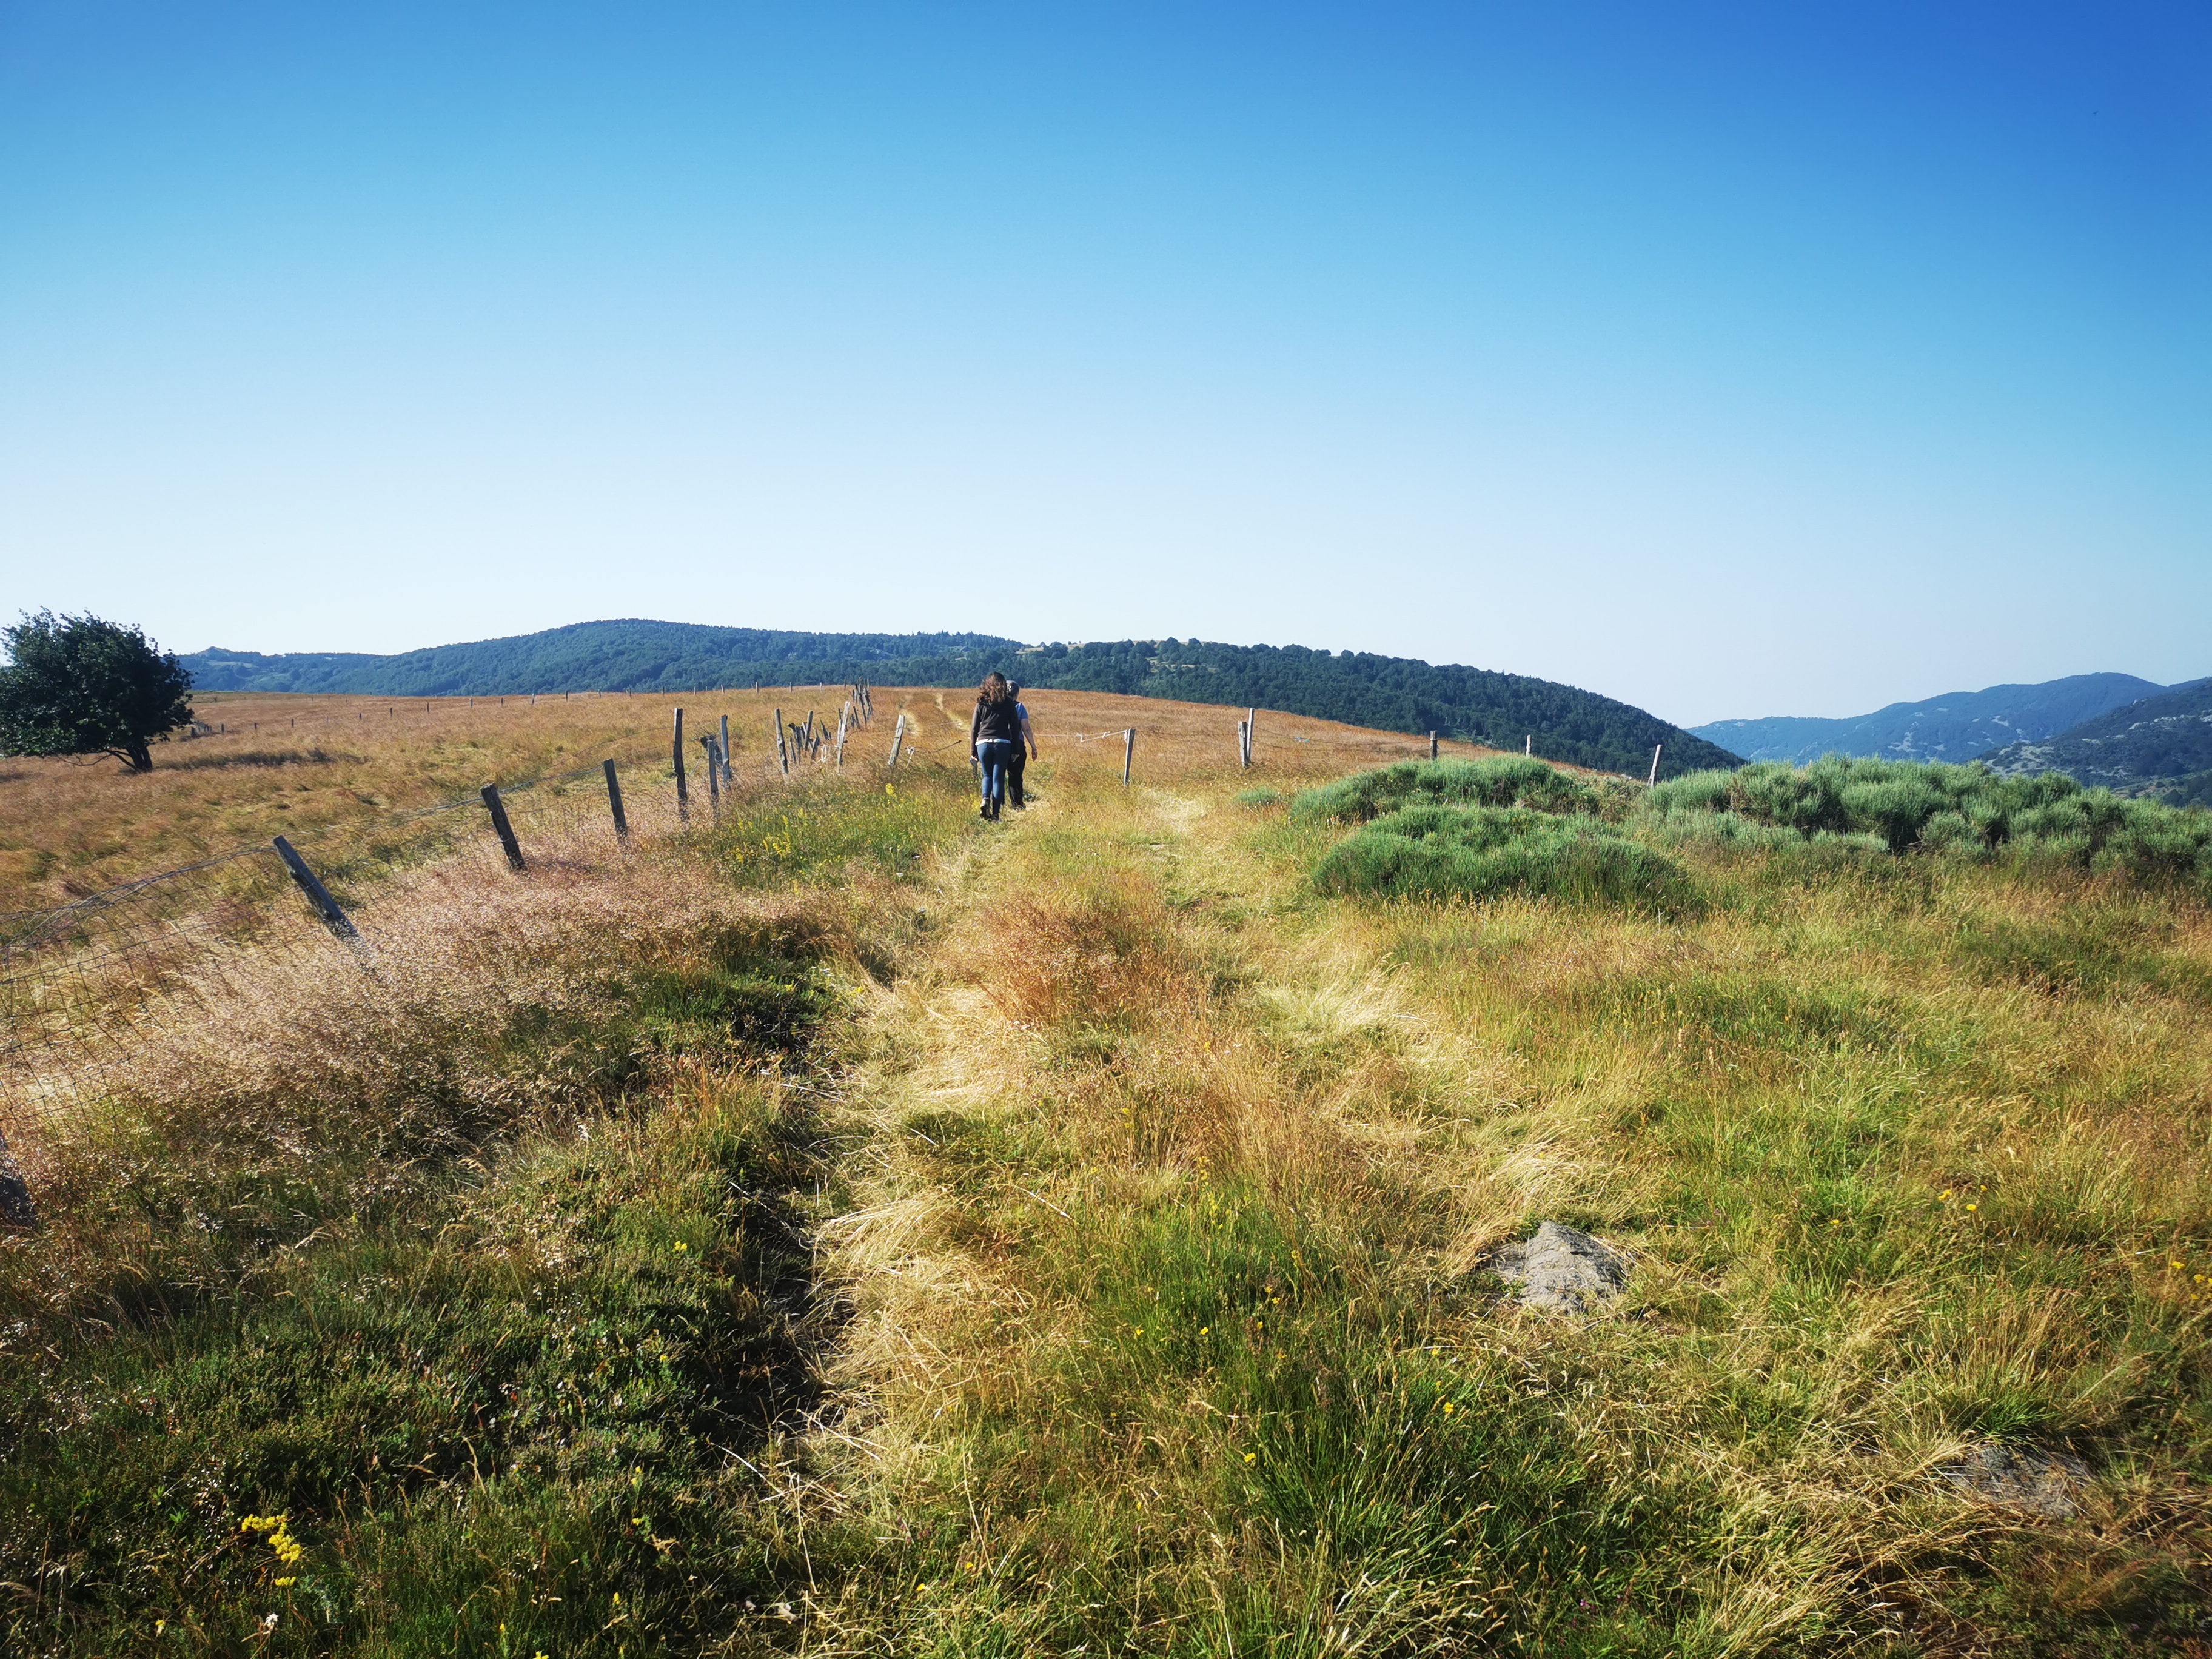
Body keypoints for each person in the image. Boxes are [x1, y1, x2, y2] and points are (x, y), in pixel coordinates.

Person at [970, 671, 1022, 820]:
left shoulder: (981, 703)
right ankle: (996, 815)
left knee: (986, 775)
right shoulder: (1009, 704)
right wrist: (1016, 750)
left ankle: (985, 799)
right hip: (1002, 744)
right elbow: (1014, 727)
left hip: (983, 743)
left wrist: (973, 750)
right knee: (998, 779)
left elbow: (974, 728)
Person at [1007, 683, 1039, 809]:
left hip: (999, 744)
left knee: (996, 775)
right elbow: (1026, 728)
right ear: (1017, 694)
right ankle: (1018, 804)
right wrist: (1034, 747)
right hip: (1016, 744)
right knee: (1015, 775)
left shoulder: (998, 706)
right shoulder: (1019, 707)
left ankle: (997, 805)